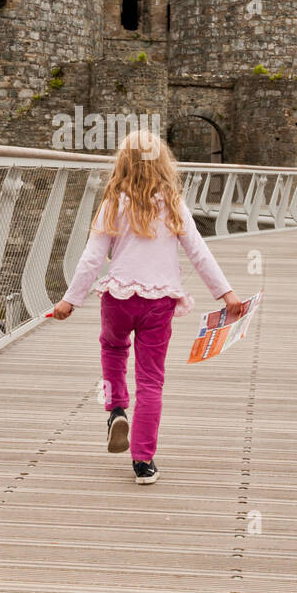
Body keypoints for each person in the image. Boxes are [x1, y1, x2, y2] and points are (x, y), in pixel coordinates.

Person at [51, 130, 241, 484]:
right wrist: (225, 293)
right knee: (151, 380)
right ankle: (143, 461)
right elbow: (198, 251)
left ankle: (116, 408)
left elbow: (93, 258)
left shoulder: (112, 201)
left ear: (122, 163)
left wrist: (70, 300)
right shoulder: (172, 202)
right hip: (160, 302)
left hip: (118, 297)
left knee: (112, 350)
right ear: (164, 163)